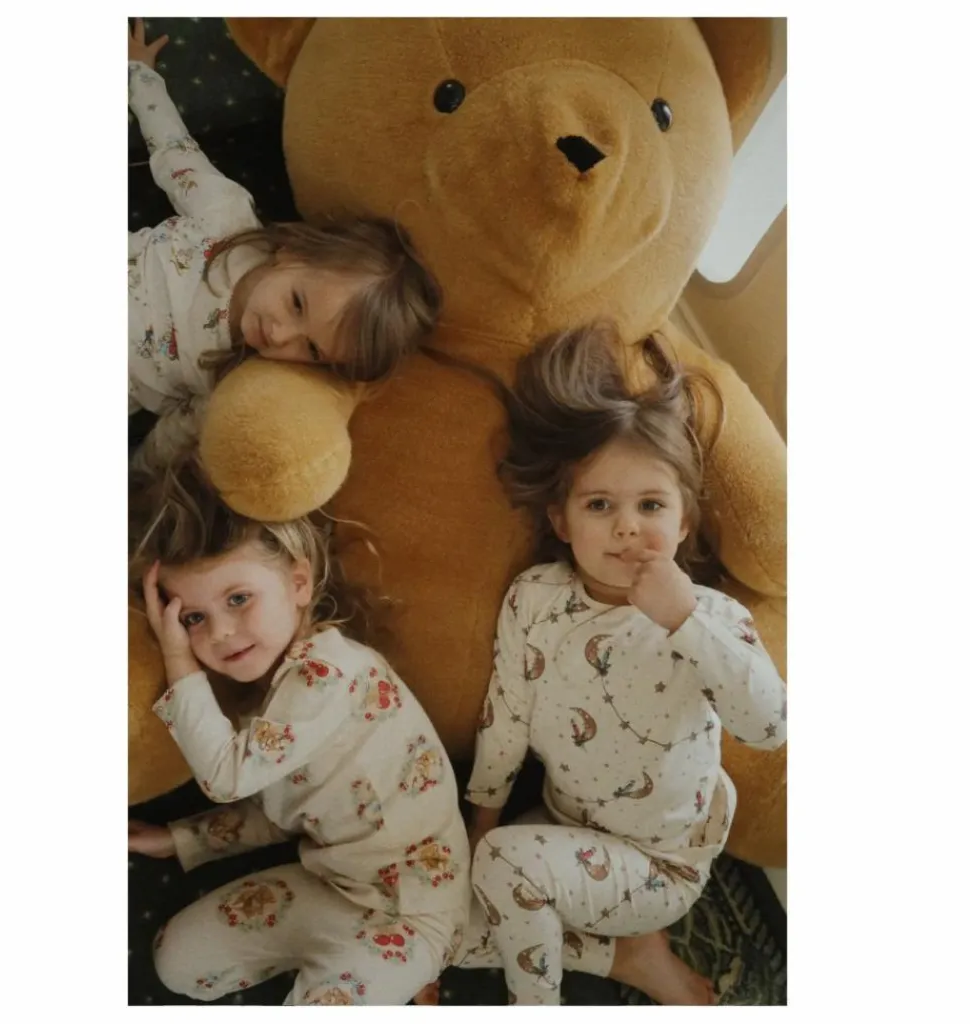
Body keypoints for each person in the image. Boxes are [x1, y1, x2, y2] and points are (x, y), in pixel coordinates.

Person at [439, 322, 787, 1005]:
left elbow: (771, 726)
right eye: (600, 505)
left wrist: (684, 619)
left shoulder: (708, 618)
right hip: (560, 831)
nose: (627, 526)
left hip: (661, 865)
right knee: (444, 919)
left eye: (650, 505)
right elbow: (505, 717)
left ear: (683, 522)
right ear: (562, 521)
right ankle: (624, 959)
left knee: (502, 870)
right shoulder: (535, 599)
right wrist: (481, 822)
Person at [127, 451, 468, 1005]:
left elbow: (225, 778)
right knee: (178, 962)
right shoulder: (264, 696)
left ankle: (407, 967)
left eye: (239, 599)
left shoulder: (327, 674)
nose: (221, 632)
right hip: (332, 885)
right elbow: (283, 811)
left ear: (299, 582)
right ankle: (367, 974)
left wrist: (177, 658)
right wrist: (182, 840)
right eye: (193, 618)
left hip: (411, 912)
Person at [127, 19, 441, 425]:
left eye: (311, 350)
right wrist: (139, 75)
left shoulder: (243, 377)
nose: (280, 335)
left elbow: (178, 430)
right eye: (296, 304)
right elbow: (174, 151)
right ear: (295, 251)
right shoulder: (227, 216)